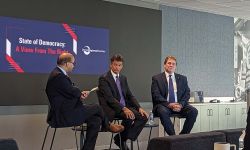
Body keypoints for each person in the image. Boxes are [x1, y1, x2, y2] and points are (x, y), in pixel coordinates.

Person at [45, 52, 124, 150]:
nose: (74, 66)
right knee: (97, 107)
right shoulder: (58, 76)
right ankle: (109, 125)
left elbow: (68, 93)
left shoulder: (57, 73)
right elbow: (71, 90)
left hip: (67, 110)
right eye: (73, 63)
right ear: (66, 64)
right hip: (64, 115)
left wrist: (79, 95)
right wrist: (80, 94)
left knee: (96, 120)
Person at [98, 54, 148, 149]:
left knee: (143, 116)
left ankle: (121, 138)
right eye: (115, 65)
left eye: (119, 65)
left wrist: (139, 107)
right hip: (113, 108)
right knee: (129, 117)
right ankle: (122, 140)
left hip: (125, 107)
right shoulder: (104, 78)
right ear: (111, 65)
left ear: (122, 66)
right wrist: (124, 108)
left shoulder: (123, 78)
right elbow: (109, 98)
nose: (117, 67)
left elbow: (130, 95)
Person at [151, 55, 198, 135]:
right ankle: (173, 137)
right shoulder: (156, 78)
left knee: (193, 111)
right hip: (164, 105)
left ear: (175, 66)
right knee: (162, 111)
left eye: (173, 64)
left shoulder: (183, 78)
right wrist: (169, 104)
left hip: (179, 105)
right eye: (169, 63)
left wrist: (180, 104)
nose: (171, 65)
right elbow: (156, 95)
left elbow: (187, 94)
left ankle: (183, 136)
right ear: (164, 65)